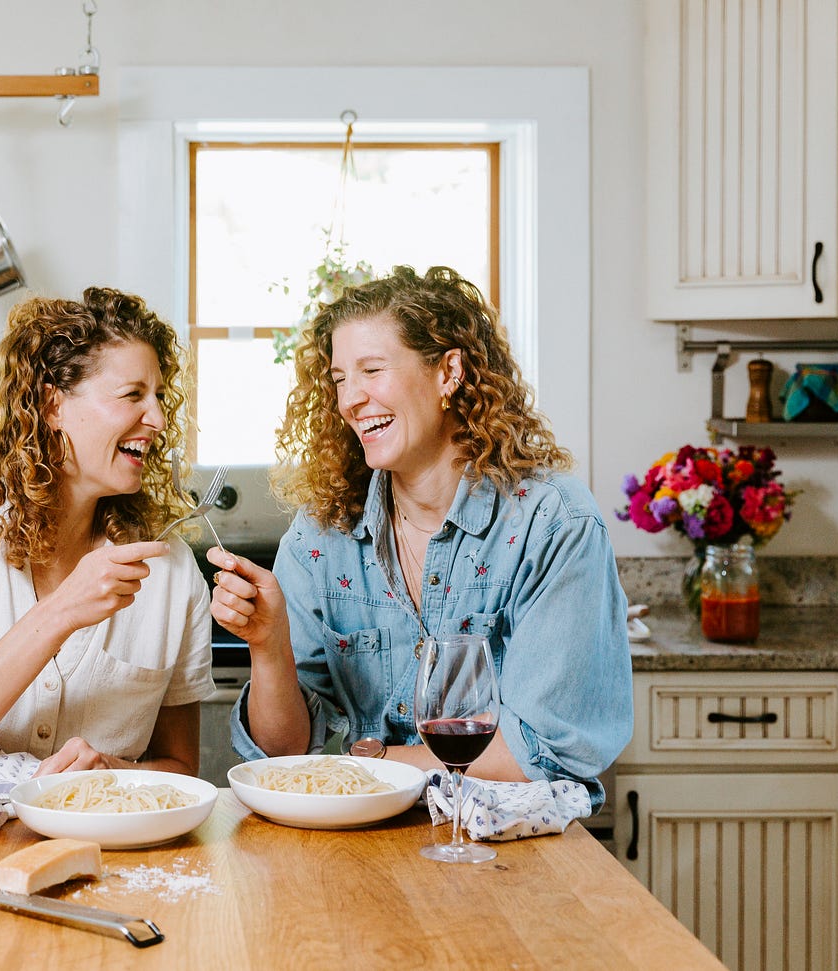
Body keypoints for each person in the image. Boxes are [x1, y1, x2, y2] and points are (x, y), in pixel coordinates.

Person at [207, 266, 631, 806]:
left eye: (372, 370)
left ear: (448, 370)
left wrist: (376, 763)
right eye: (339, 379)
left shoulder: (553, 525)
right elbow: (282, 750)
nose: (350, 400)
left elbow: (545, 753)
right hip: (371, 847)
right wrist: (268, 647)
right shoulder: (321, 536)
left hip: (516, 859)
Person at [0, 287, 213, 781]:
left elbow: (180, 767)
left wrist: (110, 770)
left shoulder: (171, 569)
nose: (158, 419)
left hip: (104, 848)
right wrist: (61, 611)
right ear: (52, 405)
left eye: (159, 397)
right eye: (133, 395)